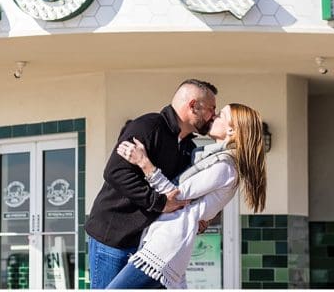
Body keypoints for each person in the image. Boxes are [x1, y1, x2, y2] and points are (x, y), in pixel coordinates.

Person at [107, 104, 267, 289]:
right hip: (162, 242)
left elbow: (174, 196)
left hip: (163, 248)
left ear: (232, 129)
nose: (213, 117)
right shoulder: (212, 160)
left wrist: (144, 163)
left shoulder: (225, 167)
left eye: (220, 115)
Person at [86, 79, 218, 288]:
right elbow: (115, 172)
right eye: (211, 109)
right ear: (193, 105)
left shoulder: (187, 147)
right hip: (114, 238)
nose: (214, 116)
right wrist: (159, 203)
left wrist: (199, 216)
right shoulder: (147, 126)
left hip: (149, 245)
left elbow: (178, 191)